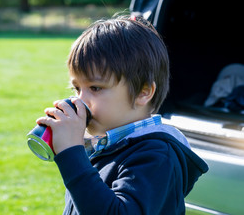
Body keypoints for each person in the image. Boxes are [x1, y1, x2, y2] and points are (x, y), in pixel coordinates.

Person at [36, 15, 208, 215]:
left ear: (143, 92)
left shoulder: (157, 155)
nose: (80, 101)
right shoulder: (103, 146)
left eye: (96, 88)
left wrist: (72, 155)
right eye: (76, 88)